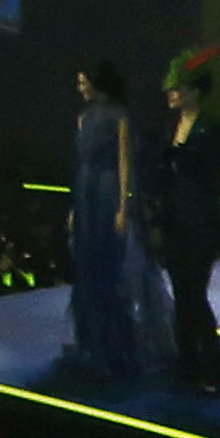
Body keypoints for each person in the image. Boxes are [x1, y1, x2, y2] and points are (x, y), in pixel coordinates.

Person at [50, 54, 167, 389]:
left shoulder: (119, 116)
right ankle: (92, 346)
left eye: (83, 81)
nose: (80, 88)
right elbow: (80, 162)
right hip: (87, 193)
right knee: (87, 271)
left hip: (107, 192)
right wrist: (74, 207)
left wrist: (123, 206)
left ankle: (117, 350)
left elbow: (125, 163)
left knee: (109, 271)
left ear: (96, 81)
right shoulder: (83, 117)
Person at [147, 40, 220, 400]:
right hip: (174, 219)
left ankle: (212, 368)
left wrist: (179, 157)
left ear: (194, 91)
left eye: (177, 87)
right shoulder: (170, 127)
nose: (170, 93)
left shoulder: (211, 128)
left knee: (194, 294)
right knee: (182, 295)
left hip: (199, 219)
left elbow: (210, 173)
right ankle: (187, 365)